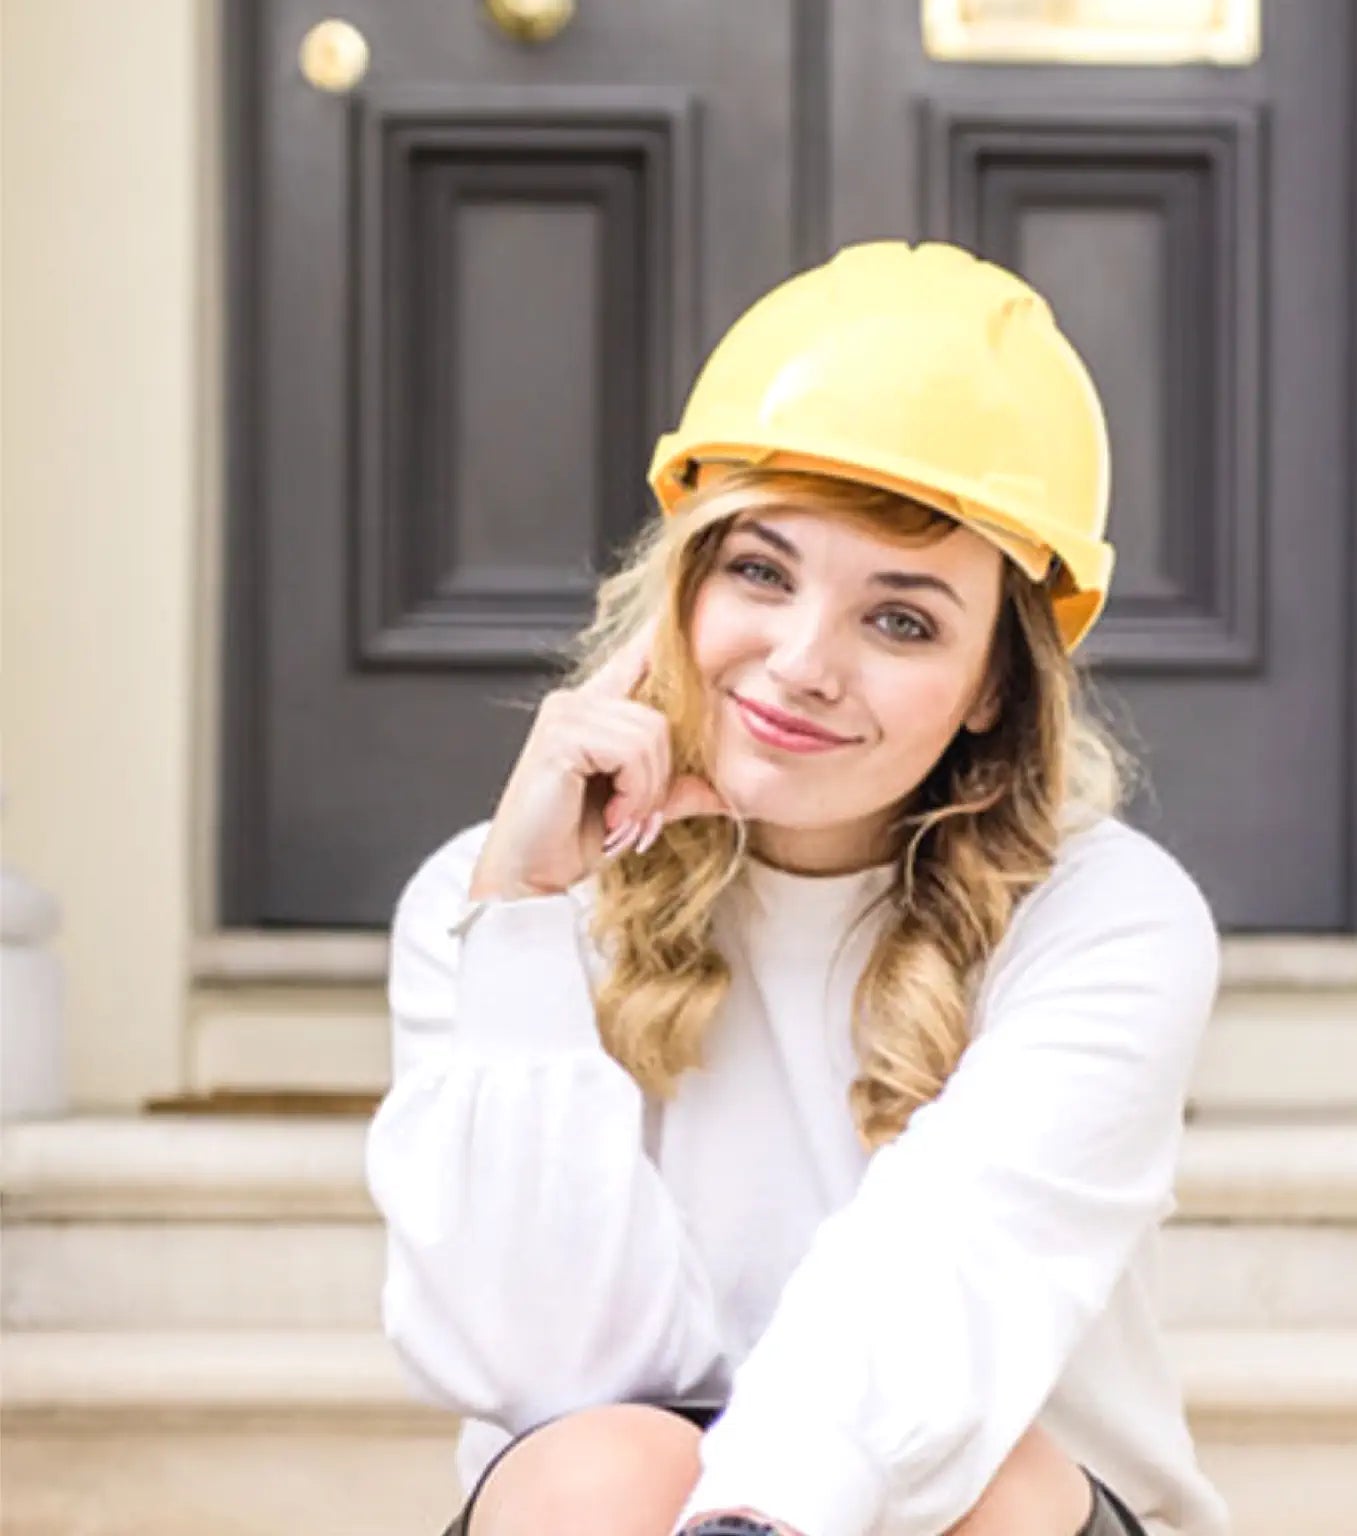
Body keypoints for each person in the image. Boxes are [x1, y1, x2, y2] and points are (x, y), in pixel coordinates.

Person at [365, 240, 1230, 1536]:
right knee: (600, 1468)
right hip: (634, 1500)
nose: (802, 663)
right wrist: (525, 928)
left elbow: (945, 1273)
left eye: (902, 619)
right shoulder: (482, 903)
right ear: (685, 583)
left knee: (977, 1491)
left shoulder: (1107, 917)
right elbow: (535, 1368)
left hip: (987, 1503)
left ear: (997, 680)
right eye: (760, 572)